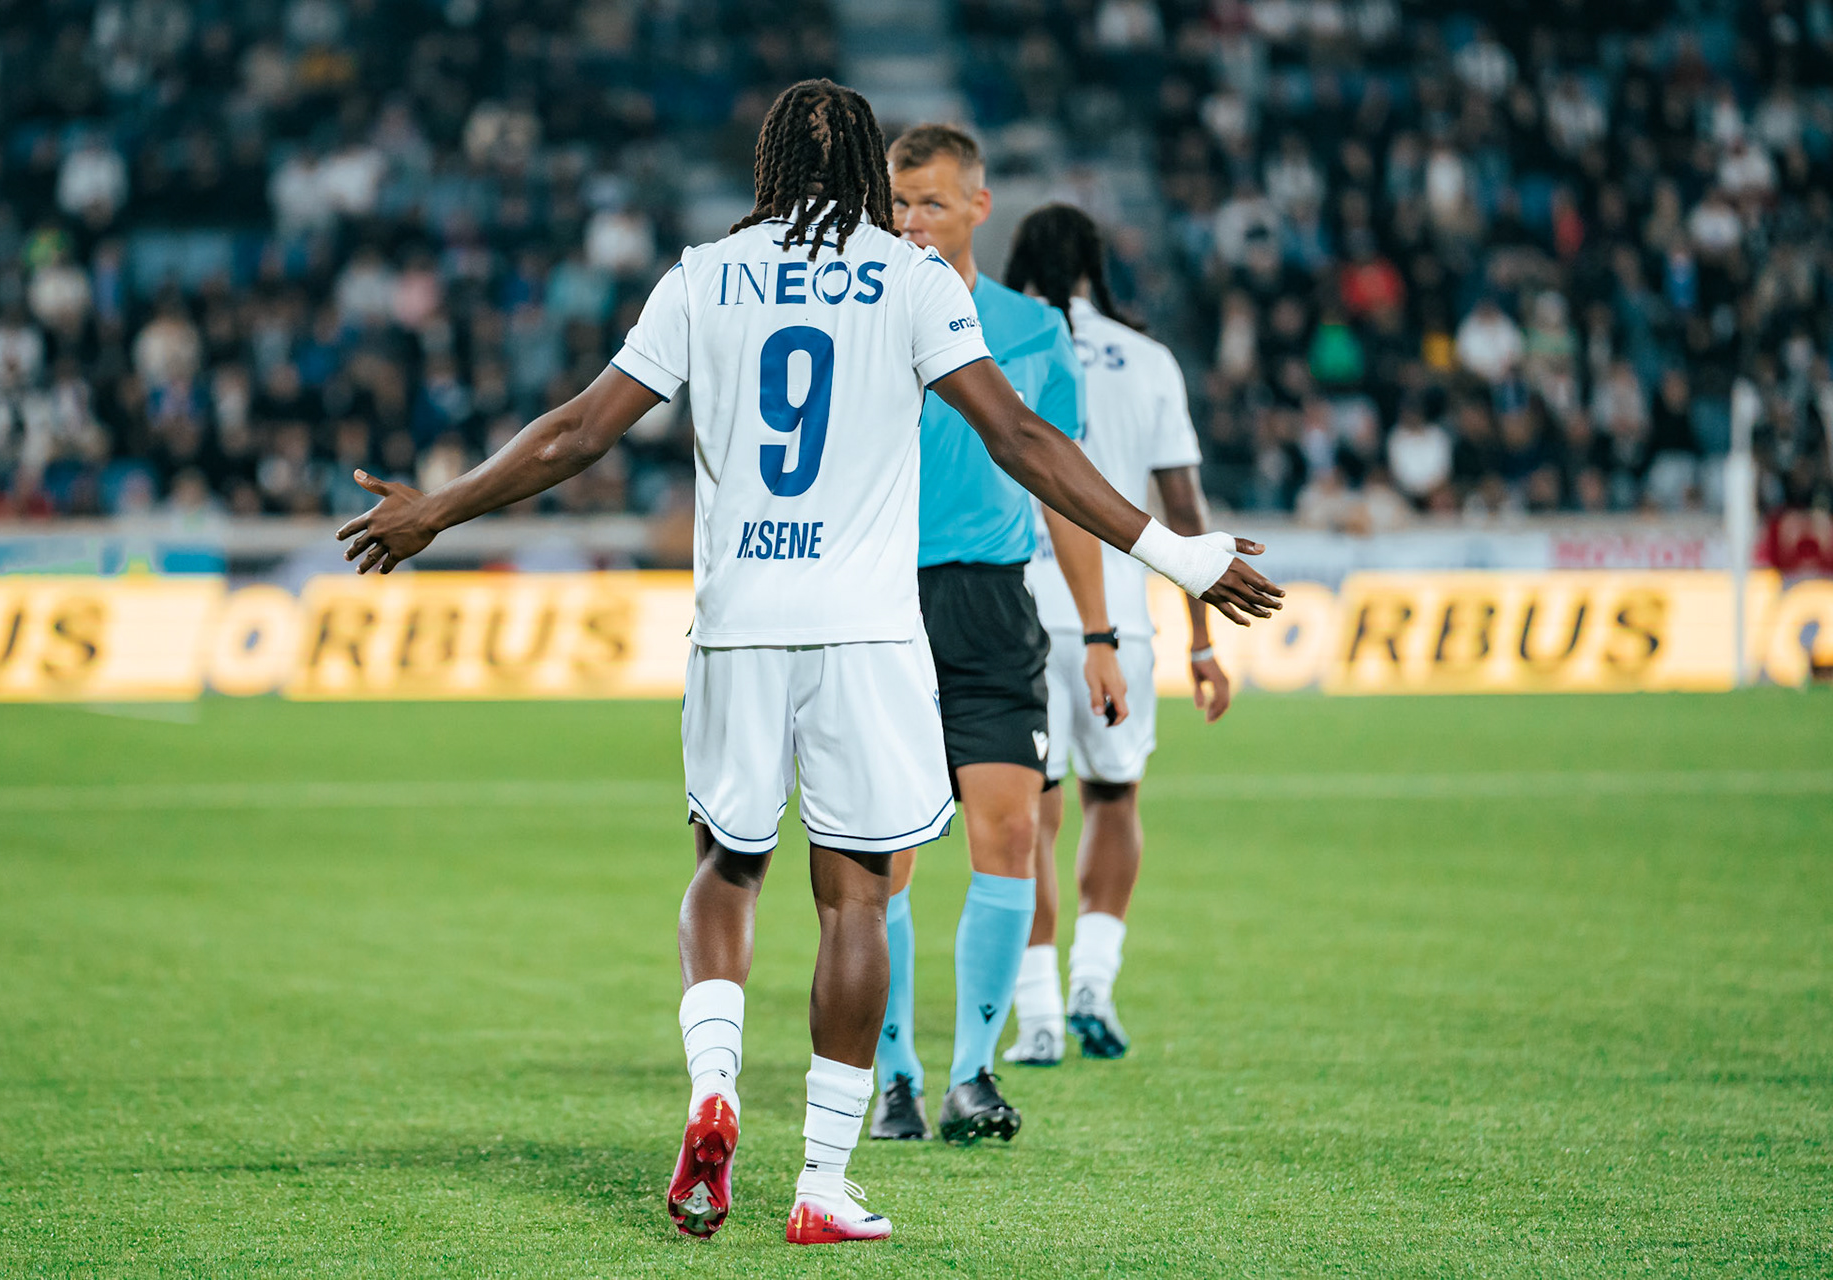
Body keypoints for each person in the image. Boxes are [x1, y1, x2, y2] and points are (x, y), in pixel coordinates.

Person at [336, 80, 1283, 1245]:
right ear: (868, 173)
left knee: (727, 866)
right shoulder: (914, 280)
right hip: (867, 631)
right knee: (857, 894)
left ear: (769, 166)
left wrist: (437, 509)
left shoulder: (705, 274)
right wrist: (1179, 555)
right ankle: (823, 1182)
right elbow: (1023, 439)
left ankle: (714, 1086)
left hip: (738, 619)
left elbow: (579, 430)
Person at [865, 124, 1131, 1146]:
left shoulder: (1032, 330)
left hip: (993, 606)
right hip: (881, 605)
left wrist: (1099, 631)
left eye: (930, 203)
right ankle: (896, 1077)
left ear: (980, 206)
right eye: (897, 204)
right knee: (886, 854)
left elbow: (1061, 486)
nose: (910, 222)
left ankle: (972, 1074)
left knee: (1011, 835)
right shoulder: (862, 315)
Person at [999, 204, 1237, 1067]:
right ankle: (1093, 984)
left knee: (1028, 815)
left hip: (1018, 603)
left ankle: (1037, 1016)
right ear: (1095, 266)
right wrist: (1201, 640)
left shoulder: (993, 346)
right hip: (1119, 620)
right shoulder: (1149, 358)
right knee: (1114, 798)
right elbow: (1185, 508)